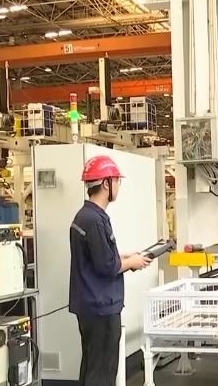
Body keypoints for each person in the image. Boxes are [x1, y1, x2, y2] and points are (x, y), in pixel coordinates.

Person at [69, 155, 151, 386]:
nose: (119, 186)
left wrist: (125, 257)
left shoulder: (86, 217)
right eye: (117, 181)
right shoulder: (94, 220)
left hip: (91, 305)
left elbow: (97, 258)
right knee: (102, 372)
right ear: (106, 183)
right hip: (101, 307)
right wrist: (131, 263)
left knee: (92, 368)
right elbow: (106, 267)